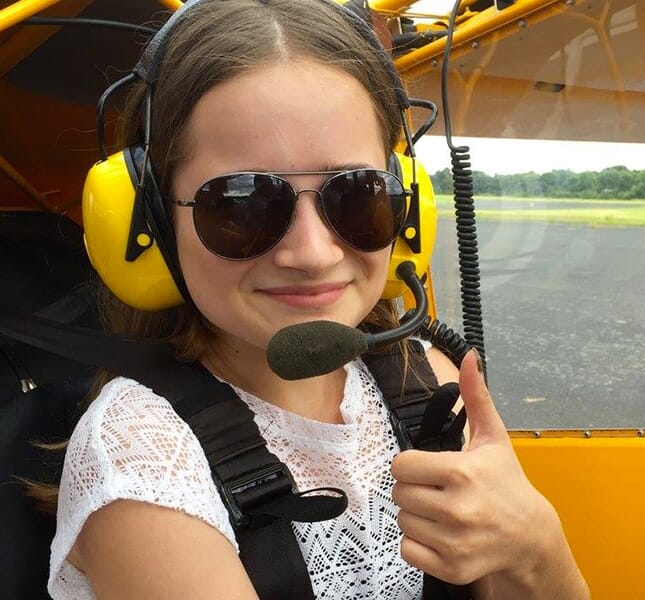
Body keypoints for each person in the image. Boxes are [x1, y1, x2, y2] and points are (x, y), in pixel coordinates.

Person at [46, 0, 590, 598]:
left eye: (356, 194)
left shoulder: (425, 379)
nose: (311, 252)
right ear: (147, 220)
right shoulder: (141, 459)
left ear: (405, 208)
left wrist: (538, 543)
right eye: (241, 204)